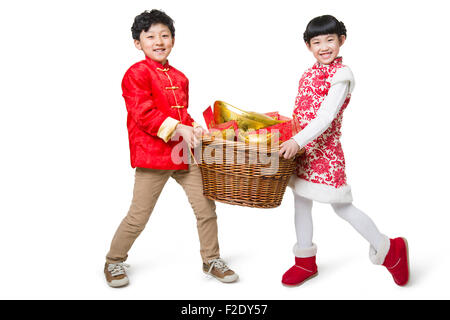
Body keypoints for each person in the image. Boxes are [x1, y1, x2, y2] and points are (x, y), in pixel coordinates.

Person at [104, 9, 238, 287]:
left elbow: (181, 115)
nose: (159, 41)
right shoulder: (136, 73)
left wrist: (194, 127)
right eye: (150, 36)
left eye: (165, 35)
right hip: (152, 156)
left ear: (173, 40)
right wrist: (178, 128)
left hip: (182, 154)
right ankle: (114, 261)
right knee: (138, 216)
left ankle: (211, 259)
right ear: (137, 43)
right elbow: (143, 113)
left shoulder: (180, 77)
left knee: (206, 208)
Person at [278, 15, 409, 287]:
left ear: (342, 41)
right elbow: (302, 111)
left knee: (342, 206)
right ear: (308, 46)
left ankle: (389, 249)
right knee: (301, 200)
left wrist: (297, 141)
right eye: (317, 42)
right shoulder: (309, 73)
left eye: (330, 40)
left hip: (325, 153)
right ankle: (305, 261)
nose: (324, 47)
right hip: (304, 151)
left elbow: (325, 117)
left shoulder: (341, 75)